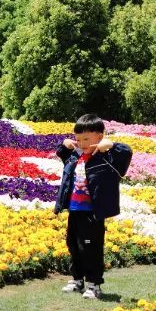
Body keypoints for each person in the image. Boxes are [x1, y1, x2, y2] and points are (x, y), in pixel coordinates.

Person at [54, 114, 133, 300]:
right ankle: (77, 280)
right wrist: (64, 143)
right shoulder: (76, 156)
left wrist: (111, 145)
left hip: (92, 213)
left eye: (86, 139)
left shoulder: (107, 158)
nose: (81, 143)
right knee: (73, 246)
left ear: (100, 136)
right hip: (74, 210)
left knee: (90, 248)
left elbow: (127, 152)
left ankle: (94, 284)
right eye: (78, 139)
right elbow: (62, 152)